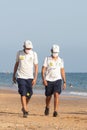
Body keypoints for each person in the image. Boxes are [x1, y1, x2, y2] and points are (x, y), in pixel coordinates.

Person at [13, 40, 38, 118]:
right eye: (27, 48)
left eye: (30, 48)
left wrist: (35, 78)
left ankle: (24, 107)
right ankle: (25, 110)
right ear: (24, 47)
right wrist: (14, 75)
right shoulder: (19, 53)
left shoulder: (34, 54)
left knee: (29, 94)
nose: (28, 49)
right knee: (23, 93)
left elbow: (36, 66)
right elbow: (16, 64)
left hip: (30, 77)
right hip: (21, 77)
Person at [41, 44, 66, 117]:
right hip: (48, 79)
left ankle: (55, 111)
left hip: (58, 79)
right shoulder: (47, 59)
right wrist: (44, 79)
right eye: (54, 52)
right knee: (48, 96)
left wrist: (64, 81)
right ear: (51, 51)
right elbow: (43, 70)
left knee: (56, 94)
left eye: (56, 52)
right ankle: (47, 107)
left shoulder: (60, 60)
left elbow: (62, 71)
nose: (55, 54)